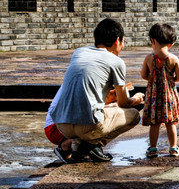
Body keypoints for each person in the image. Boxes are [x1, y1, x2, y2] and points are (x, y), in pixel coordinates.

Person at [50, 18, 145, 162]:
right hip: (88, 126)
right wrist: (136, 99)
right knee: (133, 115)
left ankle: (77, 149)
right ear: (117, 41)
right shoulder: (116, 62)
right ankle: (93, 144)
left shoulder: (79, 52)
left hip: (61, 125)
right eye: (123, 41)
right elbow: (123, 103)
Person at [140, 23, 179, 158]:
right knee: (171, 123)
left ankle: (153, 149)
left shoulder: (149, 58)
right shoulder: (173, 59)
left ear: (153, 41)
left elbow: (143, 75)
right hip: (169, 96)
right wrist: (170, 80)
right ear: (171, 44)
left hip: (154, 96)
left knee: (155, 124)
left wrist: (152, 80)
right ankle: (173, 148)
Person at [44, 85, 73, 164]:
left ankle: (71, 148)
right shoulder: (78, 82)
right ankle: (65, 147)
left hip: (59, 124)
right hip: (54, 128)